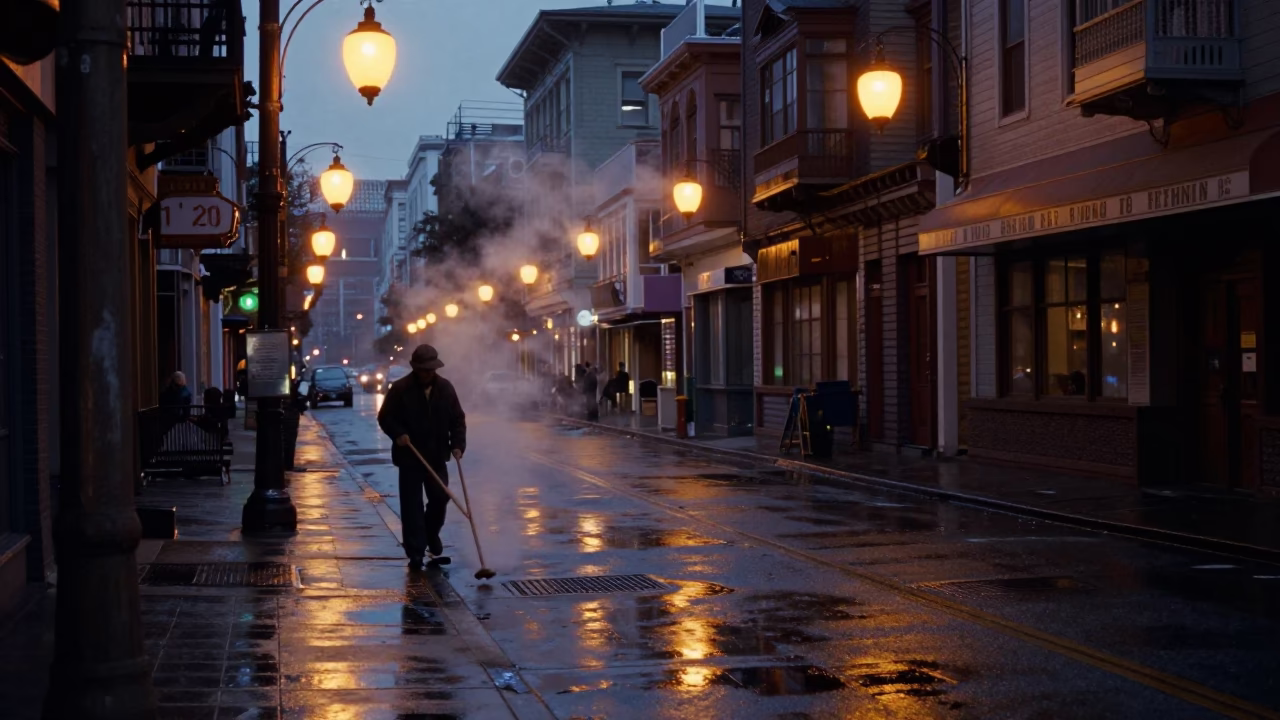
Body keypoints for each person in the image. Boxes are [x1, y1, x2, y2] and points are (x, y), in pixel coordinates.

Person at [376, 344, 467, 570]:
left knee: (440, 498)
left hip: (437, 456)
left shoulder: (446, 388)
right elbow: (385, 417)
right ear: (416, 368)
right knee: (412, 506)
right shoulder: (400, 389)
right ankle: (415, 551)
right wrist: (398, 434)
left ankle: (430, 534)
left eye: (431, 369)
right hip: (410, 456)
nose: (428, 373)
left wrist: (457, 445)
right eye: (424, 370)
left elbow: (457, 419)